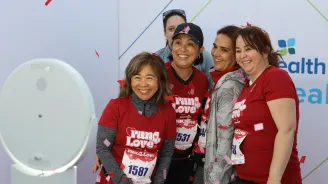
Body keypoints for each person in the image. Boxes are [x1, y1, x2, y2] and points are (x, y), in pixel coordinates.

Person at [230, 25, 302, 184]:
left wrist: (274, 180)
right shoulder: (248, 86)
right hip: (245, 178)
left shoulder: (275, 77)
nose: (242, 55)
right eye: (238, 50)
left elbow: (287, 130)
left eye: (248, 48)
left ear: (265, 51)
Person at [95, 52, 177, 184]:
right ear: (130, 80)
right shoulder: (115, 107)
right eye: (137, 77)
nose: (143, 84)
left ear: (159, 81)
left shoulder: (168, 112)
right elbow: (102, 148)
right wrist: (122, 180)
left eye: (149, 78)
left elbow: (166, 154)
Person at [200, 25, 246, 184]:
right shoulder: (222, 80)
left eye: (224, 50)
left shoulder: (229, 88)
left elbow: (226, 140)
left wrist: (215, 179)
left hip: (220, 176)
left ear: (237, 55)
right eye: (214, 46)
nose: (215, 53)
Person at [164, 22, 208, 184]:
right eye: (178, 43)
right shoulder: (159, 74)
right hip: (158, 159)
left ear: (199, 51)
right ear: (171, 46)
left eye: (190, 44)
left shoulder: (202, 79)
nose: (183, 48)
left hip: (186, 161)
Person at [156, 9, 214, 89]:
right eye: (171, 29)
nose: (176, 32)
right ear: (165, 33)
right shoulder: (156, 59)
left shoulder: (205, 57)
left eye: (181, 27)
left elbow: (214, 89)